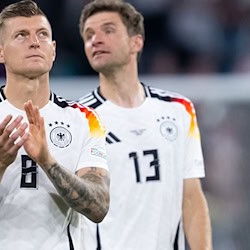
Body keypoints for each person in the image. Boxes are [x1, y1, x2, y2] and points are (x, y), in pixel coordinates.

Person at [0, 1, 110, 249]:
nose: (34, 42)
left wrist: (48, 161)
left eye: (42, 35)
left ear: (53, 50)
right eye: (21, 35)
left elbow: (98, 207)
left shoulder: (85, 119)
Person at [77, 0, 213, 249]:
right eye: (89, 35)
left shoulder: (179, 110)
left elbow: (192, 199)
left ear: (135, 42)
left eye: (108, 30)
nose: (95, 40)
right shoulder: (79, 119)